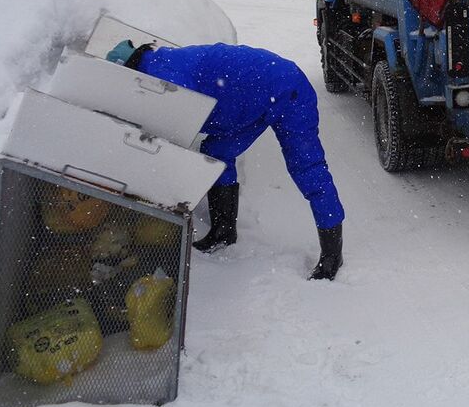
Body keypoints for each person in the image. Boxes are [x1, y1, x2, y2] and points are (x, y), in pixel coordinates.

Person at [107, 40, 345, 281]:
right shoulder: (161, 64)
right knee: (216, 151)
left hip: (287, 90)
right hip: (256, 96)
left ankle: (332, 254)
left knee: (307, 168)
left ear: (129, 68)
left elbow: (180, 125)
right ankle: (224, 231)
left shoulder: (161, 76)